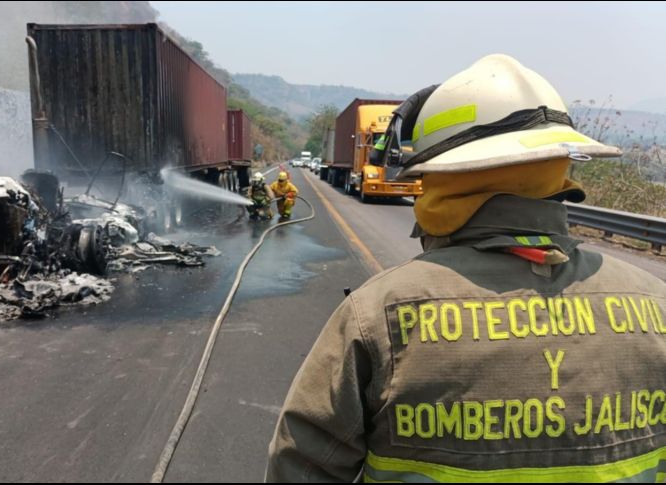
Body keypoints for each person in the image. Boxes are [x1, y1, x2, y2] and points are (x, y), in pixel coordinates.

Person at [266, 54, 666, 482]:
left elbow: (301, 466)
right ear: (560, 168)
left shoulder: (377, 316)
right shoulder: (656, 304)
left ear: (441, 177)